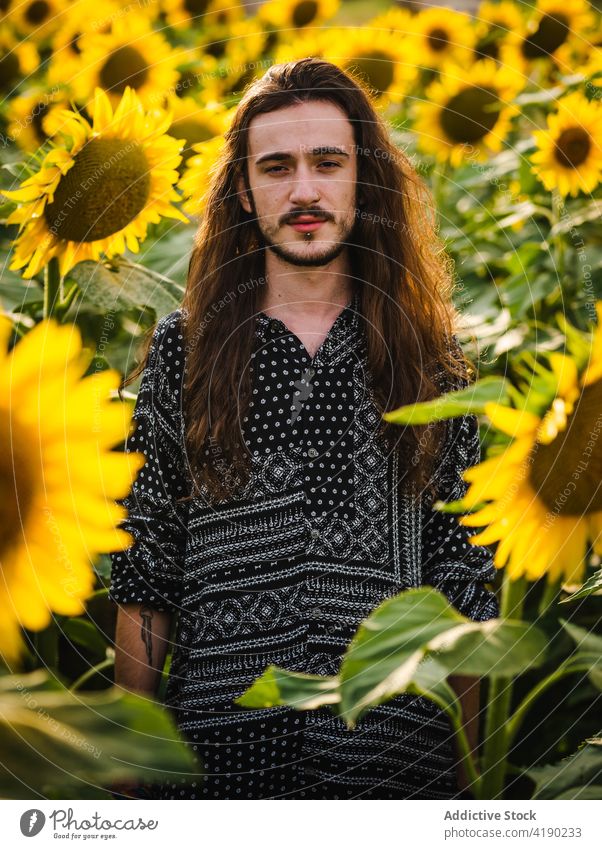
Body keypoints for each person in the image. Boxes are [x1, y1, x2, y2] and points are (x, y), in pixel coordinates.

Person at [109, 57, 499, 800]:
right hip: (216, 765)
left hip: (391, 766)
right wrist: (129, 780)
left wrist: (470, 795)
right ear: (245, 191)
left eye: (328, 162)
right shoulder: (185, 350)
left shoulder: (435, 364)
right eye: (277, 167)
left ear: (365, 180)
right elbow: (147, 571)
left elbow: (464, 589)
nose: (305, 191)